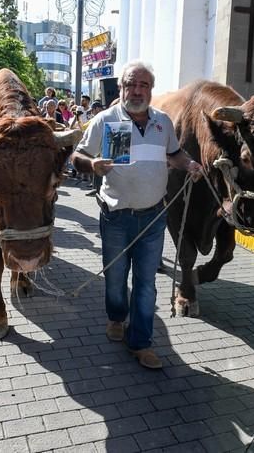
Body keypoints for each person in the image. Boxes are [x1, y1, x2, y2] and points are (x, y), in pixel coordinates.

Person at [70, 60, 203, 369]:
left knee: (146, 284)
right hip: (115, 216)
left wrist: (190, 164)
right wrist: (92, 166)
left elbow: (174, 154)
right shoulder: (106, 120)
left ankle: (141, 343)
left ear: (151, 90)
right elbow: (77, 155)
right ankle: (116, 316)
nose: (137, 90)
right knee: (116, 279)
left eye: (143, 85)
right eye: (131, 84)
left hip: (154, 217)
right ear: (122, 88)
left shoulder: (163, 122)